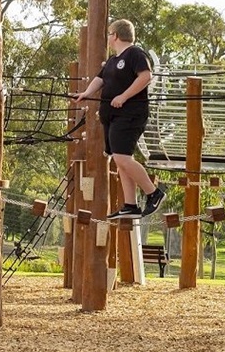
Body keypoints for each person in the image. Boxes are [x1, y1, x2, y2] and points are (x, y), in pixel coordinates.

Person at [71, 18, 166, 220]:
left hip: (130, 115)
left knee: (122, 157)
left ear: (115, 35)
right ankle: (130, 205)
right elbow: (100, 78)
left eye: (109, 34)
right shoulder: (113, 61)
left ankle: (153, 192)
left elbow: (145, 77)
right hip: (112, 117)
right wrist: (85, 93)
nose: (108, 38)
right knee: (120, 158)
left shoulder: (135, 53)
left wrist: (123, 96)